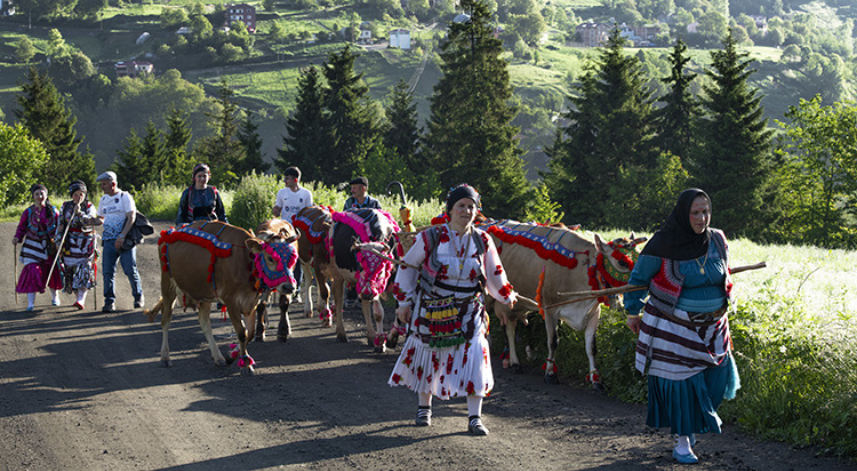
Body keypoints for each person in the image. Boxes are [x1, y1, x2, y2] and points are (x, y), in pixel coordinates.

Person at [388, 184, 517, 436]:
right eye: (461, 206)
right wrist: (403, 302)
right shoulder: (431, 237)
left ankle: (474, 417)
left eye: (471, 206)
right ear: (450, 209)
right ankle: (424, 408)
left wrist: (505, 295)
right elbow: (408, 267)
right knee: (428, 355)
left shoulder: (482, 240)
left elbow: (495, 272)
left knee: (476, 357)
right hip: (433, 307)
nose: (466, 211)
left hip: (470, 309)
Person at [624, 188, 740, 465]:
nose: (702, 218)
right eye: (695, 213)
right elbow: (638, 279)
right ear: (683, 214)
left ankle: (691, 425)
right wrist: (632, 312)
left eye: (706, 212)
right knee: (682, 386)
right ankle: (682, 440)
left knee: (716, 379)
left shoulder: (717, 239)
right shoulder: (663, 243)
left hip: (714, 327)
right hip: (674, 327)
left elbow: (722, 273)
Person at [96, 171, 144, 313]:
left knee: (129, 269)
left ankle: (138, 296)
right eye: (101, 184)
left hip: (126, 240)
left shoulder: (125, 197)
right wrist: (88, 221)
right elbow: (100, 219)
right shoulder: (103, 199)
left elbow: (131, 217)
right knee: (107, 272)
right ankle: (109, 301)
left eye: (104, 184)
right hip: (108, 240)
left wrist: (122, 236)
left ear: (113, 184)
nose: (102, 187)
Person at [12, 184, 62, 311]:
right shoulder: (28, 212)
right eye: (37, 194)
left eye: (42, 193)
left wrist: (60, 241)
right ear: (33, 196)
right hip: (32, 245)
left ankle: (55, 297)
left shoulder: (53, 211)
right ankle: (30, 303)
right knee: (32, 272)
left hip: (49, 246)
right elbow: (22, 227)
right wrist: (17, 237)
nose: (40, 196)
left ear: (46, 195)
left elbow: (59, 227)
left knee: (52, 271)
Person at [56, 181, 99, 310]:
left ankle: (81, 299)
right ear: (71, 195)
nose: (79, 197)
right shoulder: (65, 206)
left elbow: (90, 221)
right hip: (70, 243)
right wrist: (58, 239)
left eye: (81, 194)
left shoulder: (90, 206)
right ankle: (78, 297)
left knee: (84, 270)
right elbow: (61, 223)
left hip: (85, 242)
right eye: (76, 194)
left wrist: (79, 213)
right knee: (71, 271)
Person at [273, 167, 313, 302]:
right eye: (284, 178)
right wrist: (275, 210)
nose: (285, 181)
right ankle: (280, 286)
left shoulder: (306, 194)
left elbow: (309, 212)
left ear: (295, 180)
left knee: (297, 260)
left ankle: (296, 291)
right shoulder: (282, 192)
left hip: (299, 232)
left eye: (287, 178)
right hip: (284, 230)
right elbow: (277, 209)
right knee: (283, 259)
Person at [343, 176, 382, 307]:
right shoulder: (349, 203)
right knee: (350, 264)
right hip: (352, 240)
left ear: (363, 188)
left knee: (367, 266)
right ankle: (351, 293)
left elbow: (381, 222)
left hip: (369, 241)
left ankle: (366, 294)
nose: (352, 191)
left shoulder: (374, 203)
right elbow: (344, 219)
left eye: (354, 188)